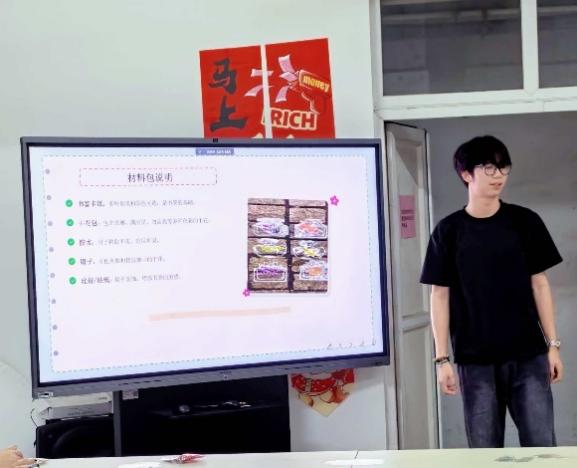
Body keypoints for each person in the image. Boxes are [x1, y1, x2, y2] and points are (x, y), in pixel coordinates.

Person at [420, 135, 563, 448]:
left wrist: (553, 345)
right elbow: (439, 296)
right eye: (488, 167)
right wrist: (441, 359)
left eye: (503, 167)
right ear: (466, 174)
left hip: (528, 355)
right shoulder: (448, 231)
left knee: (542, 446)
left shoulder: (525, 222)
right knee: (484, 451)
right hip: (475, 360)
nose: (498, 175)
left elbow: (540, 284)